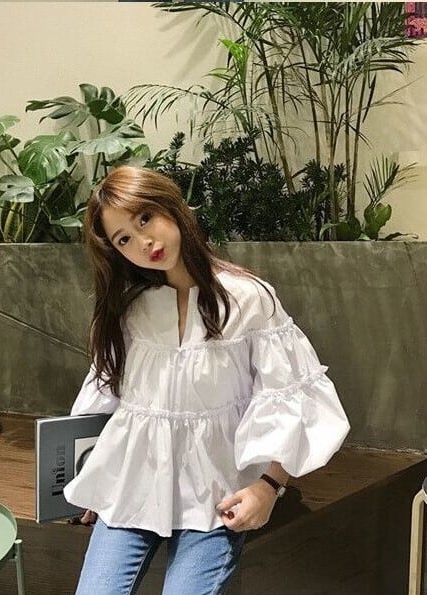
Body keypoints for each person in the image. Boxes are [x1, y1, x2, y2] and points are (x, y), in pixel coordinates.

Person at [63, 166, 350, 595]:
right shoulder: (131, 309)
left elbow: (291, 395)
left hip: (216, 492)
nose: (143, 242)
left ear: (171, 207)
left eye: (145, 218)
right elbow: (107, 397)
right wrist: (95, 479)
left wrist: (269, 486)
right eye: (123, 239)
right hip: (134, 485)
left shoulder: (248, 298)